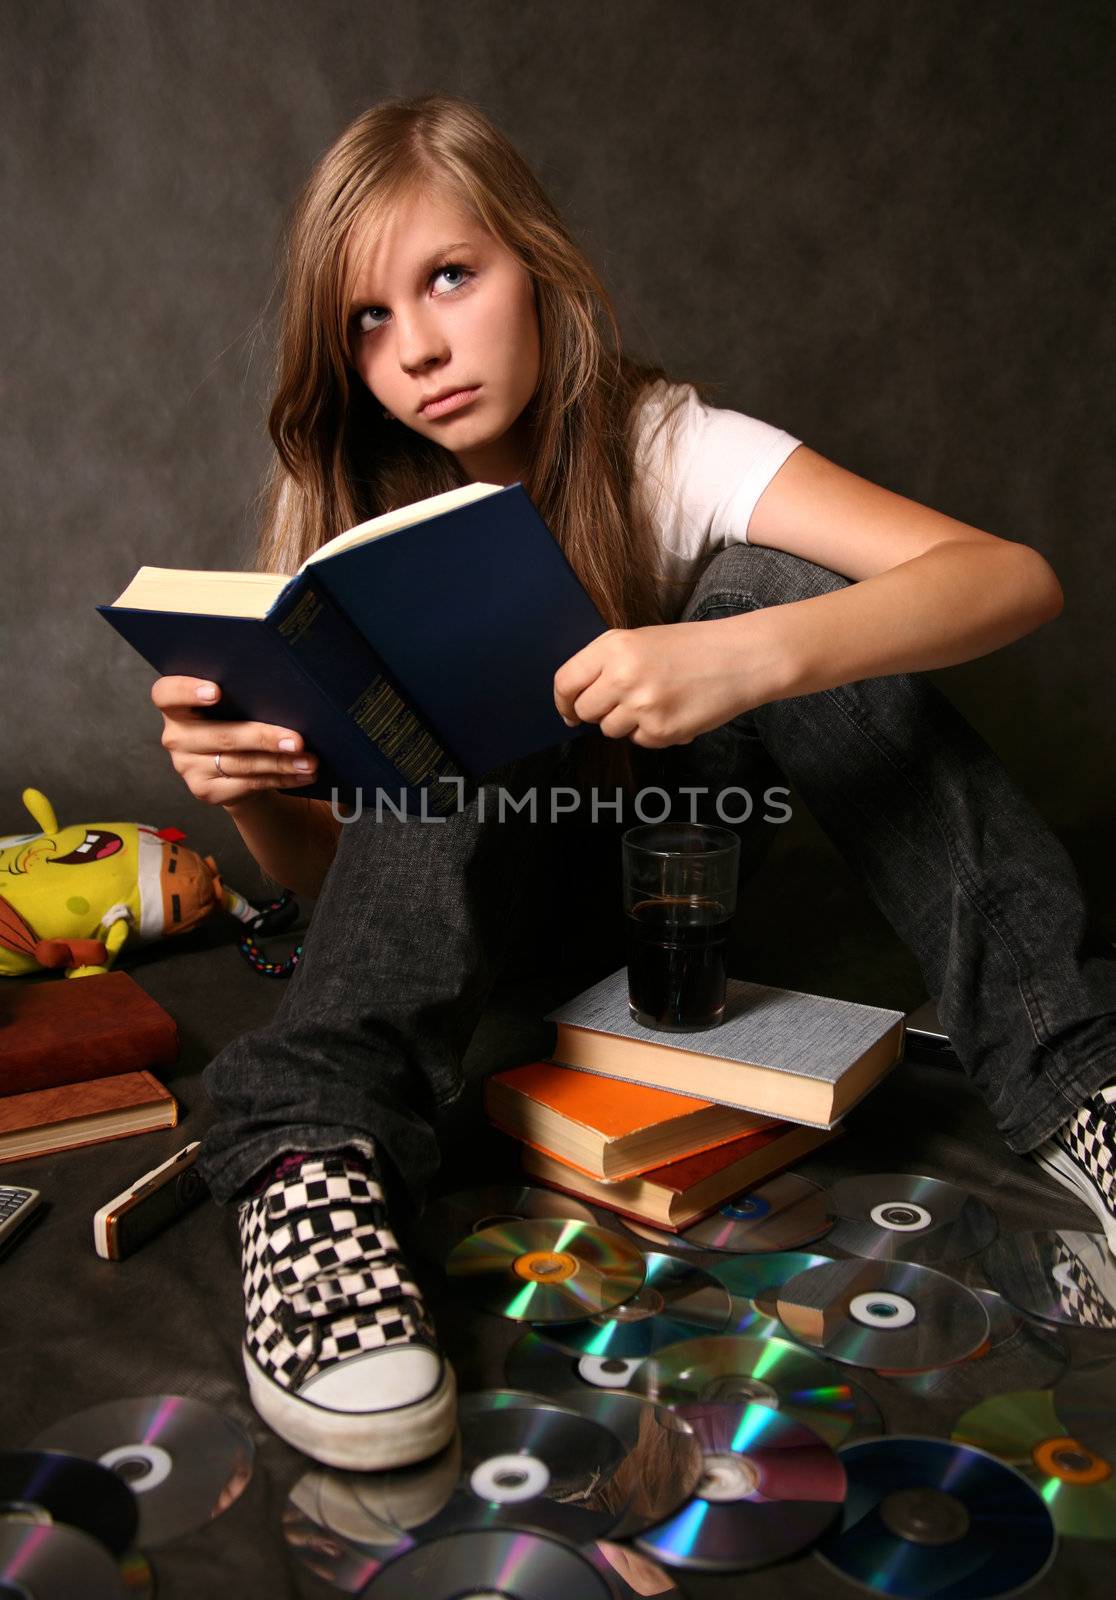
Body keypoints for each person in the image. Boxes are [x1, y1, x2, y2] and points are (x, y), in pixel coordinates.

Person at [151, 94, 1116, 1473]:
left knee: (776, 579)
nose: (417, 346)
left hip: (679, 894)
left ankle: (1084, 1078)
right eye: (366, 320)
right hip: (478, 953)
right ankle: (311, 1161)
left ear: (534, 268)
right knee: (463, 644)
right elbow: (336, 886)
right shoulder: (353, 518)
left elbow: (1011, 577)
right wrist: (249, 792)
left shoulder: (666, 444)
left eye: (448, 277)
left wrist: (743, 654)